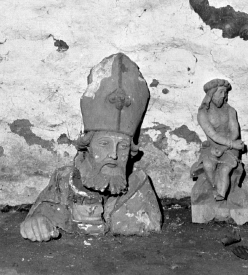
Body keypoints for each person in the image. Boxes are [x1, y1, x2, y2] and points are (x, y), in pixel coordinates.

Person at [20, 53, 162, 242]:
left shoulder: (139, 186)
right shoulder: (64, 182)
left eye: (122, 146)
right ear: (88, 146)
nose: (113, 155)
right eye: (104, 144)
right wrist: (36, 223)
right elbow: (38, 217)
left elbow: (149, 223)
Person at [191, 79, 245, 200]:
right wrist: (231, 144)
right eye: (220, 92)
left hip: (229, 148)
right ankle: (214, 188)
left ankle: (221, 194)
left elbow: (235, 132)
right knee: (208, 165)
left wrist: (225, 147)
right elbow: (213, 135)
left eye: (225, 92)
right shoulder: (203, 113)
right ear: (211, 94)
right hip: (213, 146)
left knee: (225, 169)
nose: (223, 95)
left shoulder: (230, 110)